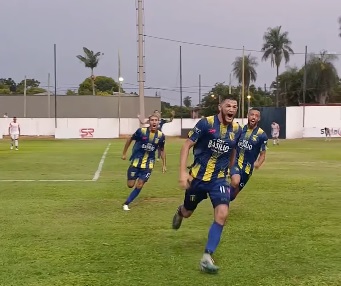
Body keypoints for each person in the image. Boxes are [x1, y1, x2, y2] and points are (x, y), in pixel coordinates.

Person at [172, 98, 241, 274]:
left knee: (223, 213)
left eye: (234, 107)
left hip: (219, 179)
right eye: (228, 106)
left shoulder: (237, 130)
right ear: (220, 108)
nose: (231, 109)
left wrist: (233, 171)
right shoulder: (205, 123)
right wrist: (182, 172)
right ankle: (180, 212)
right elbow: (187, 145)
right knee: (188, 212)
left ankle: (207, 256)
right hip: (198, 179)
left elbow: (233, 150)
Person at [121, 113, 167, 211]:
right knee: (130, 185)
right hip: (136, 162)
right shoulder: (141, 131)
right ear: (149, 122)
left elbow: (162, 150)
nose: (154, 122)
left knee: (140, 184)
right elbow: (130, 139)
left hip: (148, 164)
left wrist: (164, 164)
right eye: (152, 120)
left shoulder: (161, 136)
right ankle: (133, 177)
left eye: (156, 120)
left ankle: (126, 203)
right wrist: (124, 153)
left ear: (158, 122)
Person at [229, 108, 268, 201]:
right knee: (235, 181)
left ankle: (223, 198)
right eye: (252, 114)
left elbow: (263, 154)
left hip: (247, 169)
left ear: (259, 119)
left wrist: (258, 164)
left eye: (256, 116)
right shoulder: (239, 130)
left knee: (232, 196)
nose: (254, 117)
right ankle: (220, 198)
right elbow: (232, 146)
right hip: (236, 163)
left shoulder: (262, 135)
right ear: (248, 116)